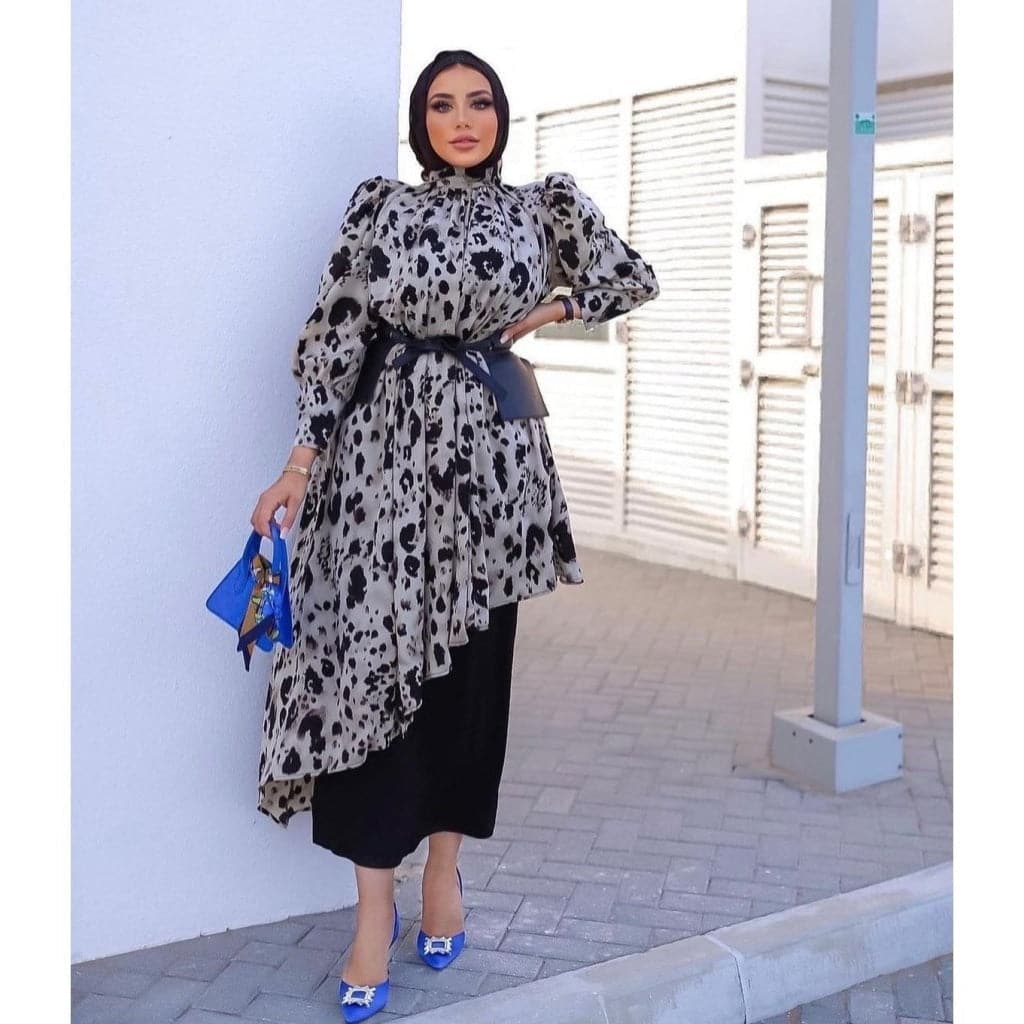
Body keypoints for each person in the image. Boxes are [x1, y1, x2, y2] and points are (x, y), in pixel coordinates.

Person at [248, 48, 659, 1021]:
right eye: (442, 104)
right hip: (380, 476)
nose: (462, 118)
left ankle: (444, 874)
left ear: (501, 116)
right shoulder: (380, 208)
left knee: (468, 689)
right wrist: (298, 464)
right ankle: (372, 910)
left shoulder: (539, 208)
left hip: (493, 480)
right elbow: (335, 337)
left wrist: (550, 308)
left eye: (479, 102)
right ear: (420, 120)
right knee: (366, 677)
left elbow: (628, 276)